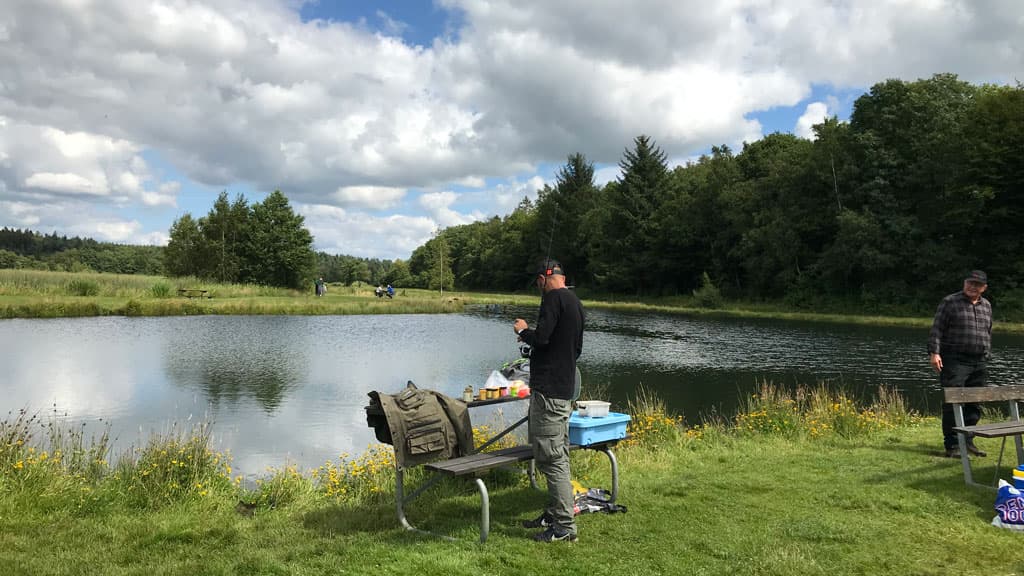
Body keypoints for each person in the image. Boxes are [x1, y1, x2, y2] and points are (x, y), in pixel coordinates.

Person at [513, 258, 584, 543]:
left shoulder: (553, 298)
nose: (539, 288)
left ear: (545, 279)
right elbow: (572, 350)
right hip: (564, 391)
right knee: (559, 453)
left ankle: (564, 527)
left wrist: (522, 330)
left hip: (549, 394)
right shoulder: (576, 303)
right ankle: (555, 513)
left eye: (538, 283)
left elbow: (541, 338)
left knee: (551, 458)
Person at [929, 270, 993, 458]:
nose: (973, 286)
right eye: (970, 282)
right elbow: (937, 328)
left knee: (974, 402)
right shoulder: (950, 302)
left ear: (984, 288)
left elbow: (988, 330)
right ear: (964, 283)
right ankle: (952, 445)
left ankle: (968, 440)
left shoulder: (987, 305)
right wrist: (934, 353)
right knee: (953, 403)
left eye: (977, 284)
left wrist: (986, 352)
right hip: (954, 359)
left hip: (979, 360)